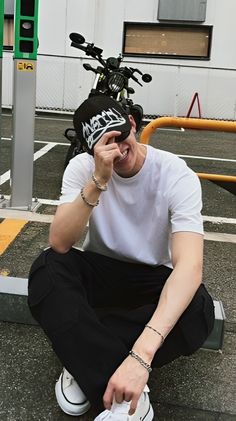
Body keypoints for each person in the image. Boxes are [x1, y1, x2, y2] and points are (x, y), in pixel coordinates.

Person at [28, 95, 215, 420]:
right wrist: (99, 180)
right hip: (102, 270)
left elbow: (190, 265)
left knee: (198, 309)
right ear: (89, 150)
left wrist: (141, 356)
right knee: (47, 268)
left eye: (119, 134)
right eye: (102, 144)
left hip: (154, 277)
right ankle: (123, 395)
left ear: (132, 124)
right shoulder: (83, 168)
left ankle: (81, 355)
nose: (116, 148)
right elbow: (59, 242)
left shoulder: (175, 174)